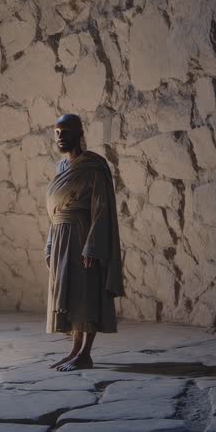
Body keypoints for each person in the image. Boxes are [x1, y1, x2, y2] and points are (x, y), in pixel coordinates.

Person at [44, 113, 124, 371]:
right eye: (57, 132)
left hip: (83, 236)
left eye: (66, 132)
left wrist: (93, 245)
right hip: (61, 237)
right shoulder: (61, 168)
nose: (60, 137)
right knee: (72, 295)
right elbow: (54, 209)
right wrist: (49, 243)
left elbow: (101, 207)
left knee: (87, 293)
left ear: (79, 133)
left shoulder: (94, 166)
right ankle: (75, 350)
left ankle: (86, 353)